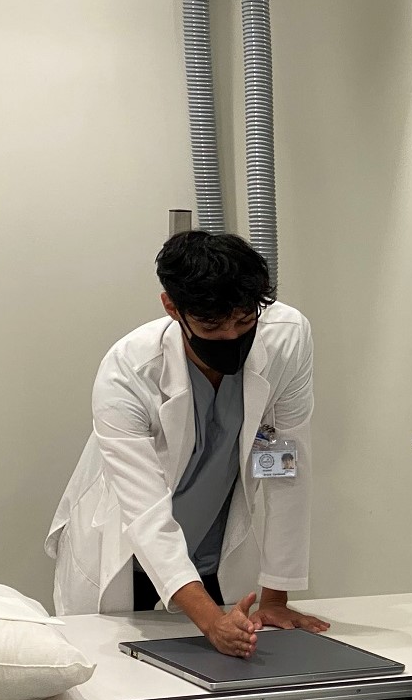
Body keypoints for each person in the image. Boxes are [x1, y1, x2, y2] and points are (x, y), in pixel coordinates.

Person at [46, 231, 327, 658]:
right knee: (122, 686)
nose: (231, 337)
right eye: (212, 326)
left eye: (244, 321)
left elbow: (287, 466)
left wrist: (275, 598)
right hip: (128, 551)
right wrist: (212, 621)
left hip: (213, 552)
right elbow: (144, 512)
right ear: (172, 308)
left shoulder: (287, 339)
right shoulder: (128, 371)